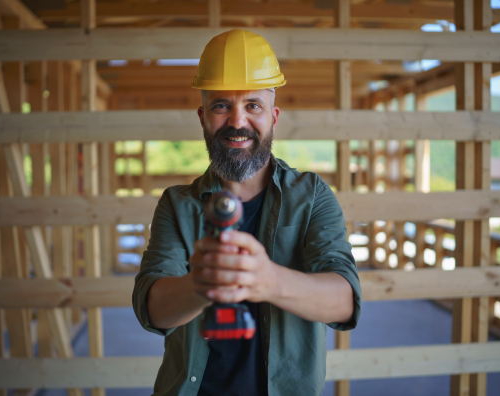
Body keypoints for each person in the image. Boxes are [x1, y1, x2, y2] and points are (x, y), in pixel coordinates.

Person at [133, 29, 361, 396]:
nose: (237, 122)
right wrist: (203, 282)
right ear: (202, 116)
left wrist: (267, 280)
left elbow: (345, 301)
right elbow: (153, 310)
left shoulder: (312, 195)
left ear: (274, 116)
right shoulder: (177, 204)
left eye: (252, 105)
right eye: (221, 105)